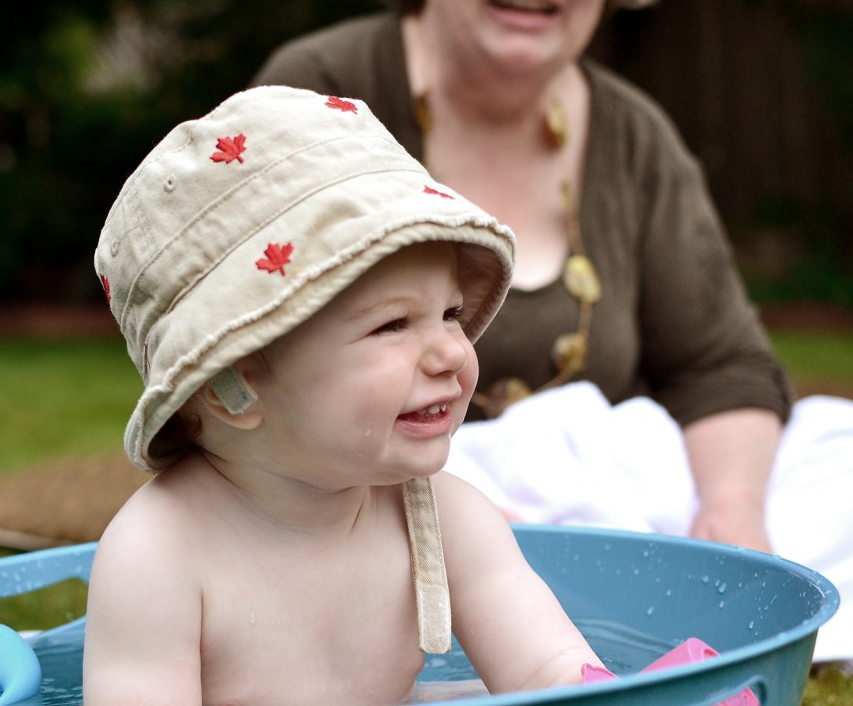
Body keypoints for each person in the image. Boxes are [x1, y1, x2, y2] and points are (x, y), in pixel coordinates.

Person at [250, 0, 853, 664]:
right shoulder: (321, 98)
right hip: (388, 493)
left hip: (612, 507)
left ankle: (698, 596)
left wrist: (732, 514)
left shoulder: (634, 138)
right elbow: (256, 351)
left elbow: (720, 365)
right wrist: (459, 519)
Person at [83, 85, 602, 705]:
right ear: (234, 388)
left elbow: (548, 672)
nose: (451, 352)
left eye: (451, 312)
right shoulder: (158, 556)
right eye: (392, 325)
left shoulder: (444, 519)